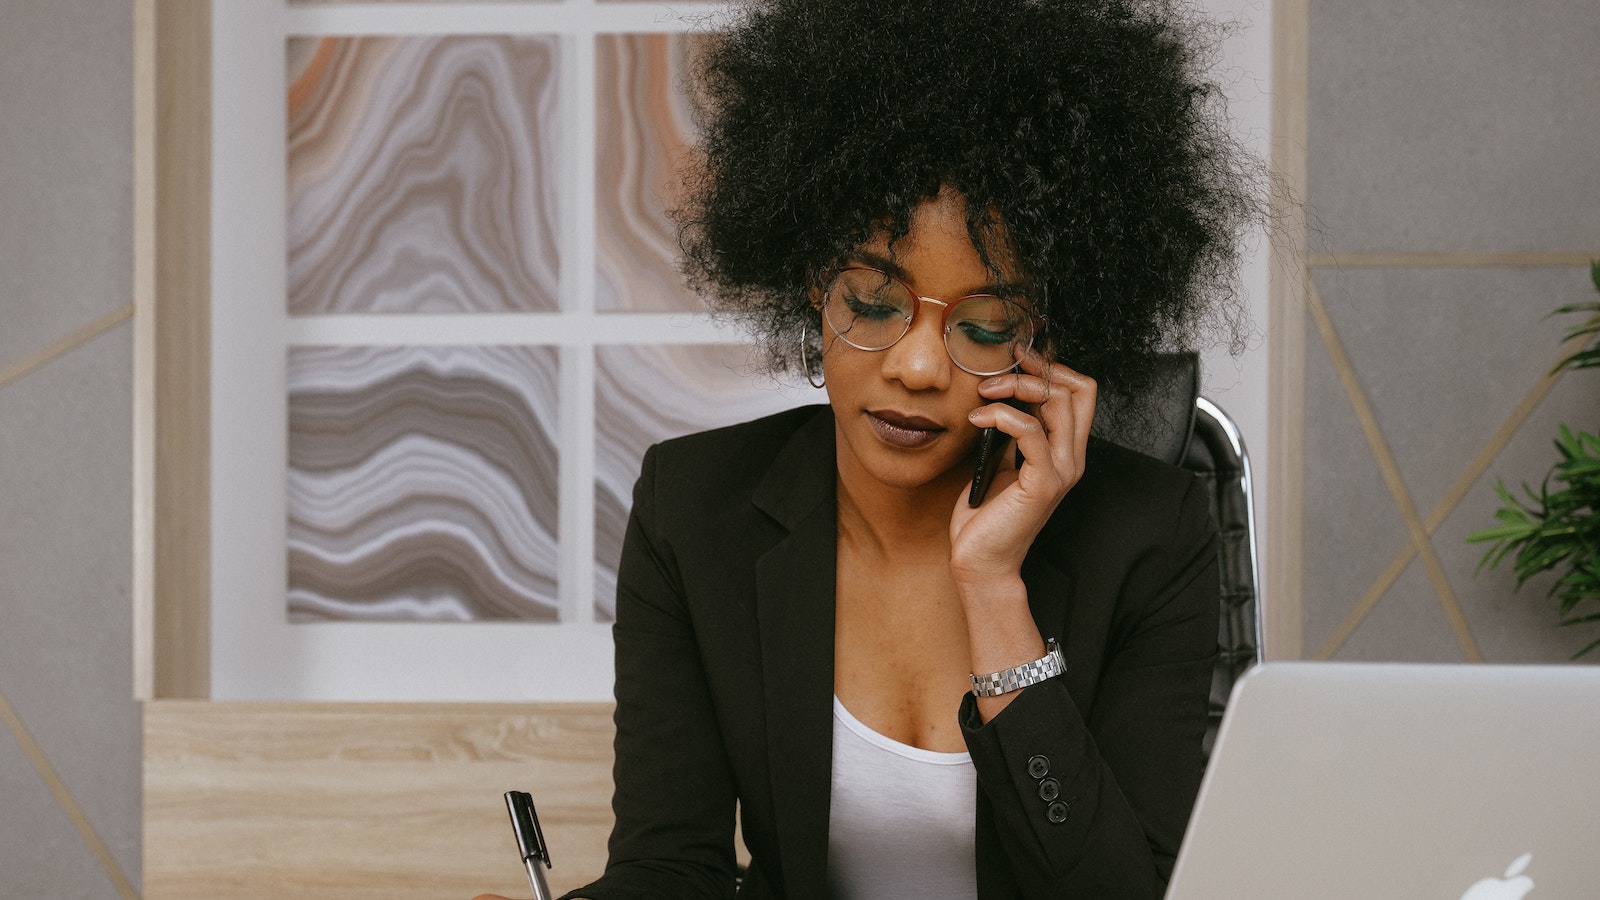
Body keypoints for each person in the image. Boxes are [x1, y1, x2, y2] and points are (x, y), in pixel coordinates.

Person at [482, 0, 1254, 897]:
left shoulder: (1150, 535)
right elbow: (670, 869)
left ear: (1047, 339)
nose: (919, 366)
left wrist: (994, 589)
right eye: (875, 304)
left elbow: (1126, 891)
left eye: (986, 322)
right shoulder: (696, 512)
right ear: (812, 290)